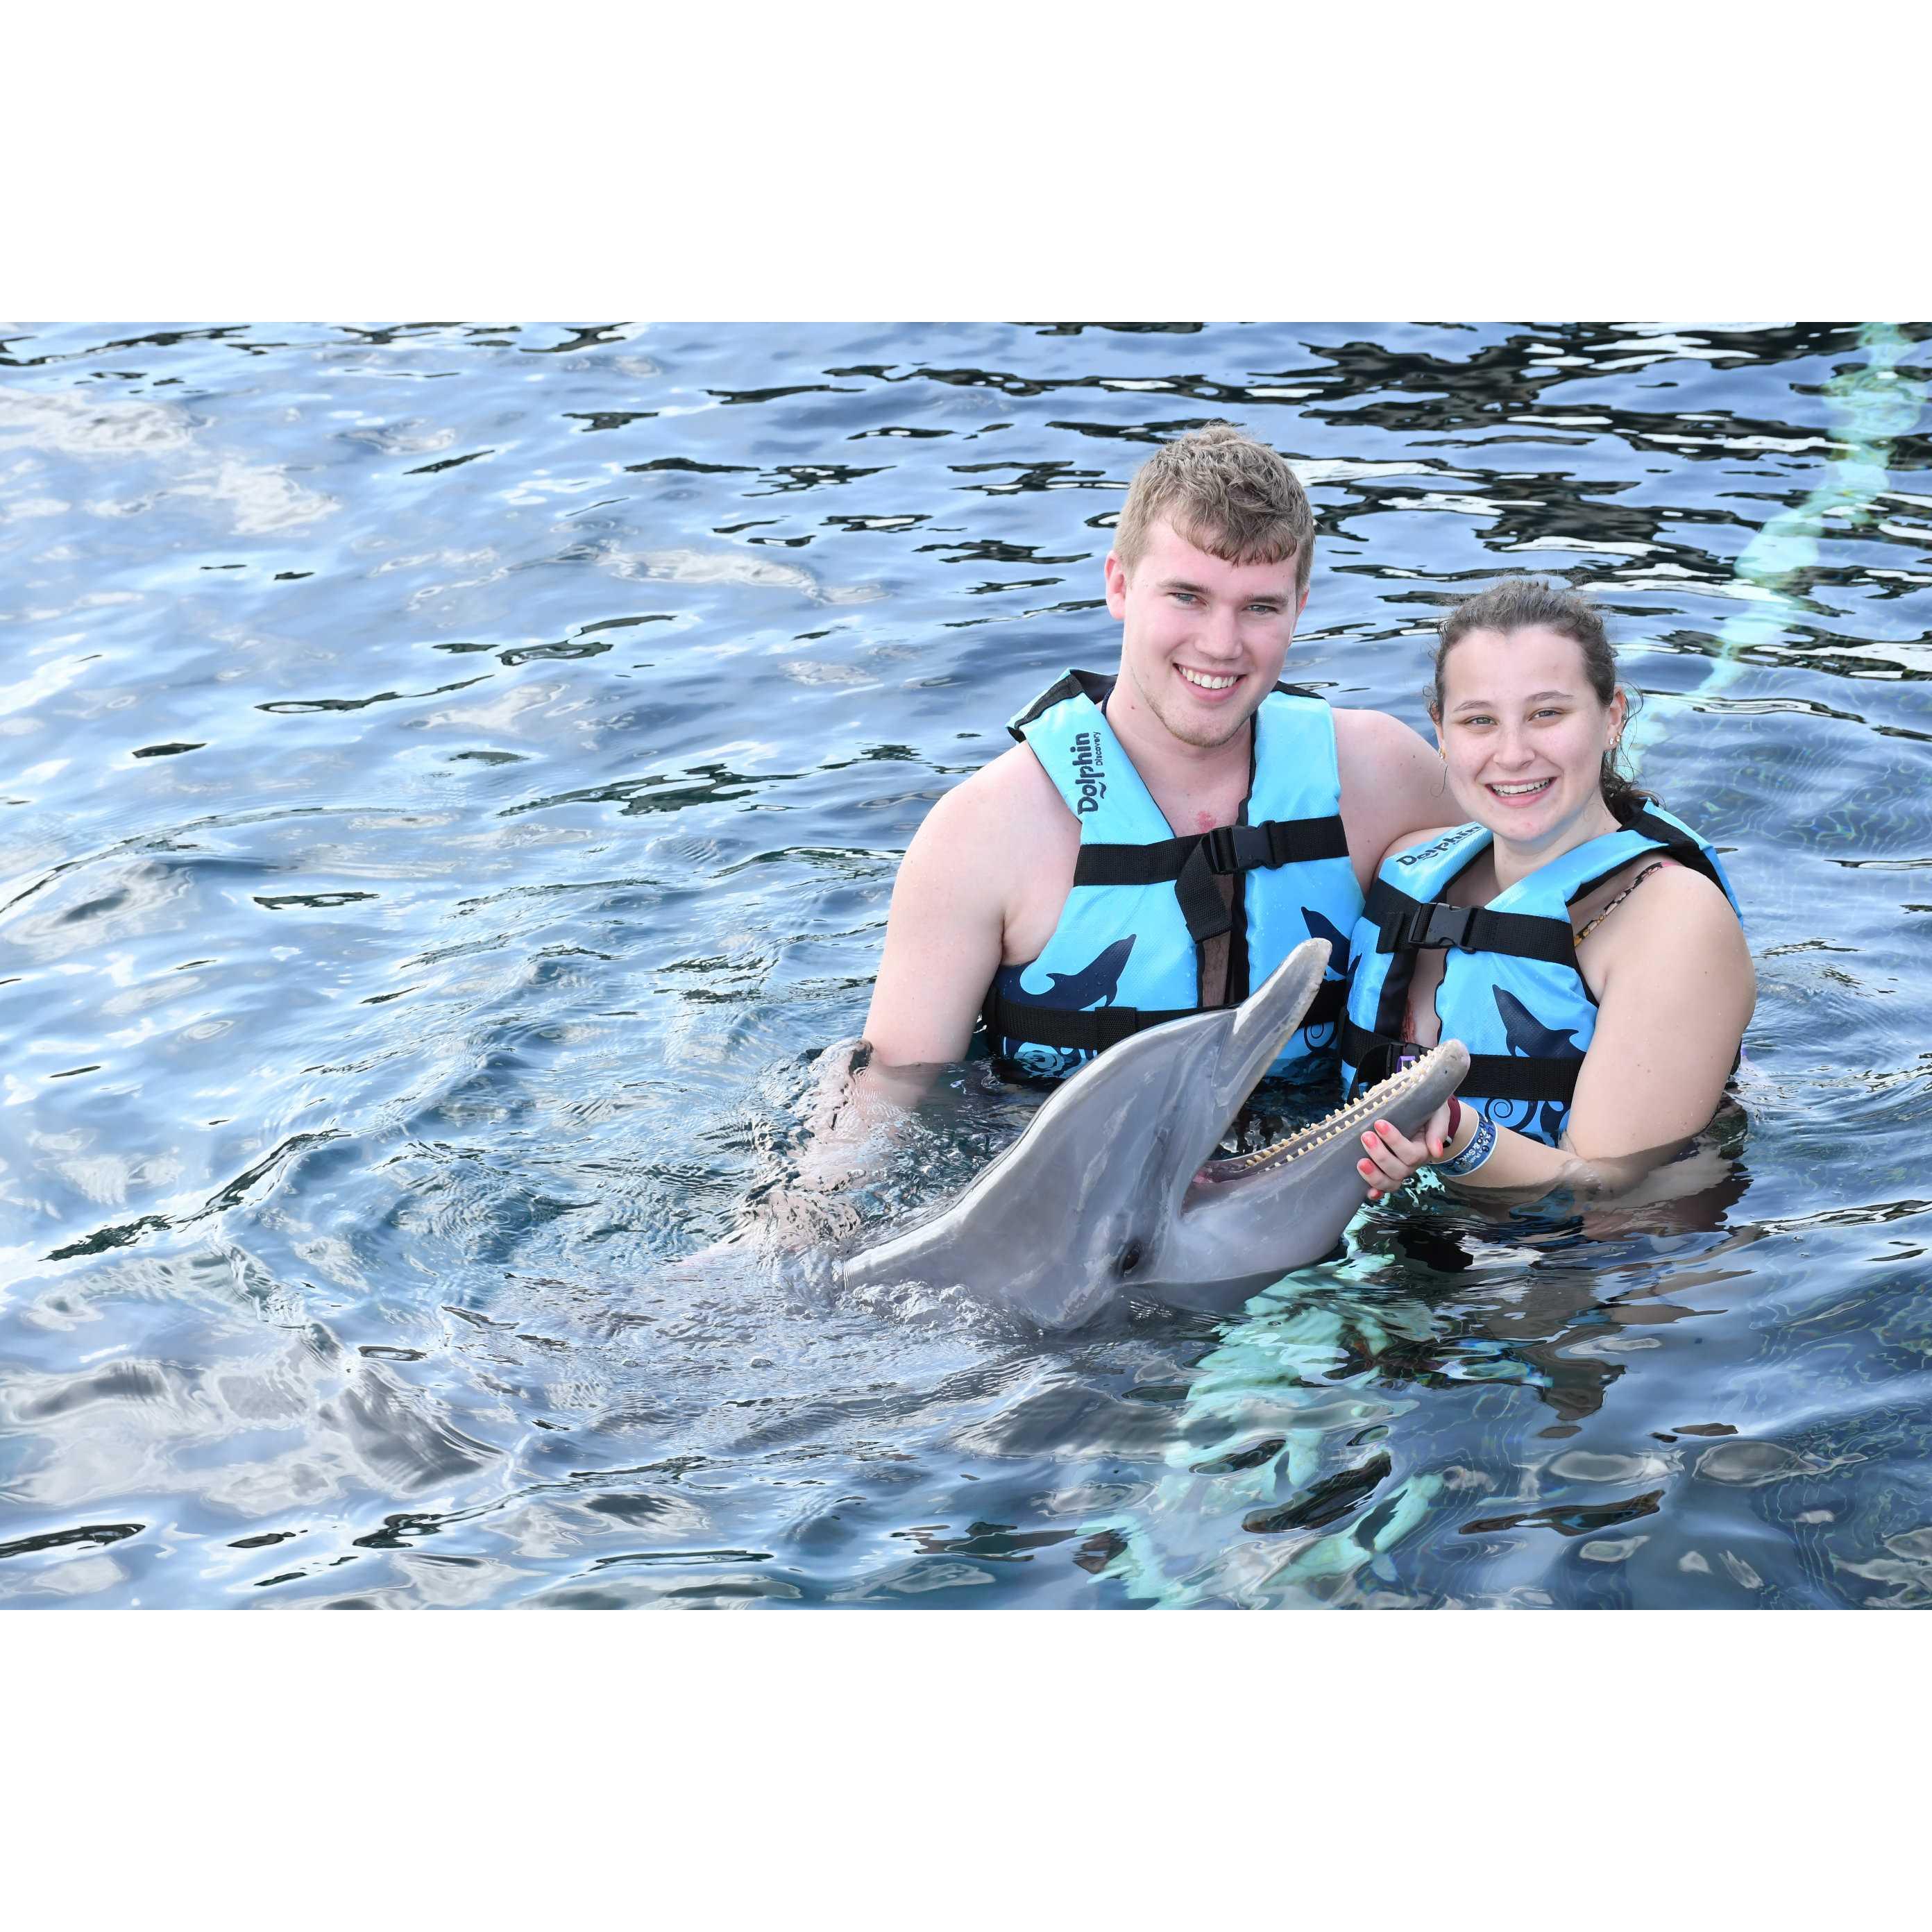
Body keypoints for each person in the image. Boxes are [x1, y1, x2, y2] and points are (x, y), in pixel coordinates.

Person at [860, 423, 1447, 1092]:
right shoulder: (981, 835)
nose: (1222, 645)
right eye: (1187, 597)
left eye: (1259, 607)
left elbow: (1554, 898)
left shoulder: (1384, 774)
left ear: (1299, 609)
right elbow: (883, 1114)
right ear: (1119, 585)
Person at [1343, 578, 1755, 1201]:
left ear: (1612, 717)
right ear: (1442, 734)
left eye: (1547, 714)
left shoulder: (1674, 922)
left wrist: (1458, 1137)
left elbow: (1613, 1187)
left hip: (1573, 1267)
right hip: (1388, 1236)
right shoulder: (1408, 866)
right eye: (1479, 720)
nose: (1513, 754)